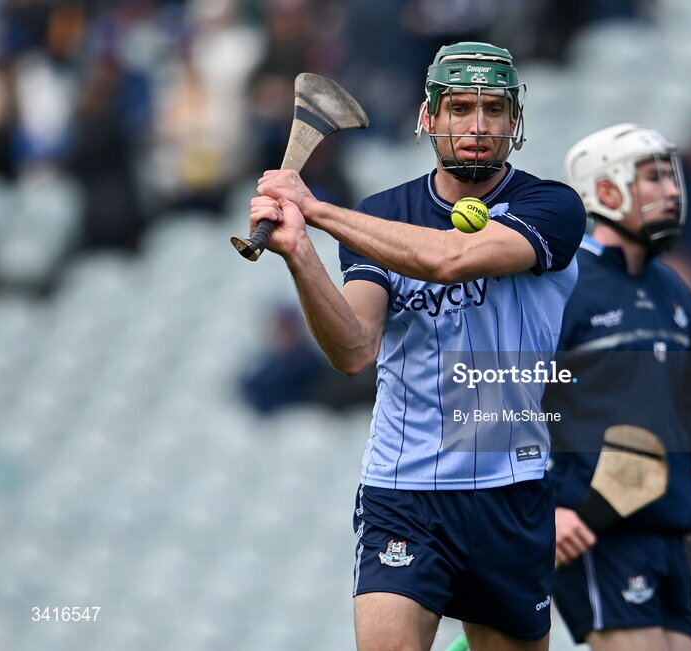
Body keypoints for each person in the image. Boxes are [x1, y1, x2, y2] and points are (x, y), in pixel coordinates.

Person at [247, 42, 586, 650]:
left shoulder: (552, 207)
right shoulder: (385, 213)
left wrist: (318, 211)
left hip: (510, 492)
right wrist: (300, 253)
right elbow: (353, 349)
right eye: (458, 108)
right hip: (403, 490)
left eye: (492, 110)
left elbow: (449, 259)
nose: (476, 126)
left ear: (515, 122)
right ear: (429, 117)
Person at [544, 124, 691, 651]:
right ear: (605, 190)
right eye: (654, 178)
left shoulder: (673, 290)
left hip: (668, 530)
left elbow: (686, 404)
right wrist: (545, 510)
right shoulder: (560, 287)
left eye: (672, 176)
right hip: (595, 527)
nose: (674, 191)